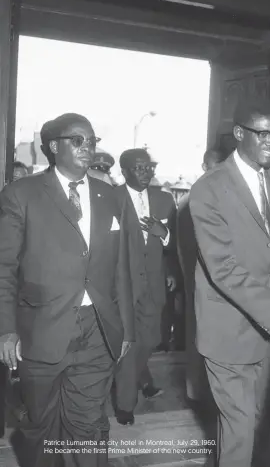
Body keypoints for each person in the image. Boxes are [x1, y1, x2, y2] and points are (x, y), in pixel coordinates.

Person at [0, 113, 134, 467]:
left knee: (87, 423)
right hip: (40, 328)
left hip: (97, 328)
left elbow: (122, 268)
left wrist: (126, 329)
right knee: (40, 426)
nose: (87, 147)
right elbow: (3, 268)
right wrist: (6, 329)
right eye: (77, 140)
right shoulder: (21, 194)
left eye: (91, 140)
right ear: (53, 147)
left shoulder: (111, 195)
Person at [190, 99, 270, 466]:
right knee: (240, 427)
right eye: (263, 133)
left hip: (266, 334)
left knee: (256, 425)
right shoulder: (209, 189)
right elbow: (222, 268)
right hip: (227, 330)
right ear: (238, 135)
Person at [112, 148, 177, 426]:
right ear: (124, 171)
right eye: (138, 168)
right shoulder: (111, 199)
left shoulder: (164, 200)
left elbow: (179, 244)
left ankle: (123, 382)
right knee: (129, 343)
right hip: (122, 285)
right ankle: (125, 404)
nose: (146, 173)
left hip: (154, 284)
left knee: (149, 341)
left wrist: (164, 235)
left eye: (149, 167)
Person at [178, 148, 226, 401]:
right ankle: (197, 394)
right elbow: (187, 249)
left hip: (223, 286)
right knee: (198, 338)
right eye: (212, 167)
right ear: (205, 166)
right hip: (201, 283)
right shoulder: (192, 199)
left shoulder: (227, 197)